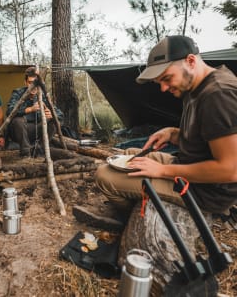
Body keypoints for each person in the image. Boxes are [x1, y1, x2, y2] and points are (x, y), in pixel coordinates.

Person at [81, 35, 237, 231]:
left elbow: (231, 170)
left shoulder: (218, 94)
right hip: (187, 166)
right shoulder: (198, 86)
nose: (163, 88)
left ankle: (136, 222)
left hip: (204, 191)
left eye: (166, 78)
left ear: (190, 61)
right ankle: (140, 205)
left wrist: (163, 171)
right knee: (127, 156)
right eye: (159, 82)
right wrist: (173, 133)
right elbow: (208, 140)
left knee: (105, 176)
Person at [6, 66, 63, 157]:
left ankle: (38, 150)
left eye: (36, 83)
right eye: (30, 83)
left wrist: (52, 114)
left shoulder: (43, 96)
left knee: (55, 122)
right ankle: (26, 153)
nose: (33, 87)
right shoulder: (18, 93)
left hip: (37, 130)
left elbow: (60, 114)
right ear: (25, 82)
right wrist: (30, 109)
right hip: (19, 131)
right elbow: (9, 111)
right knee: (18, 121)